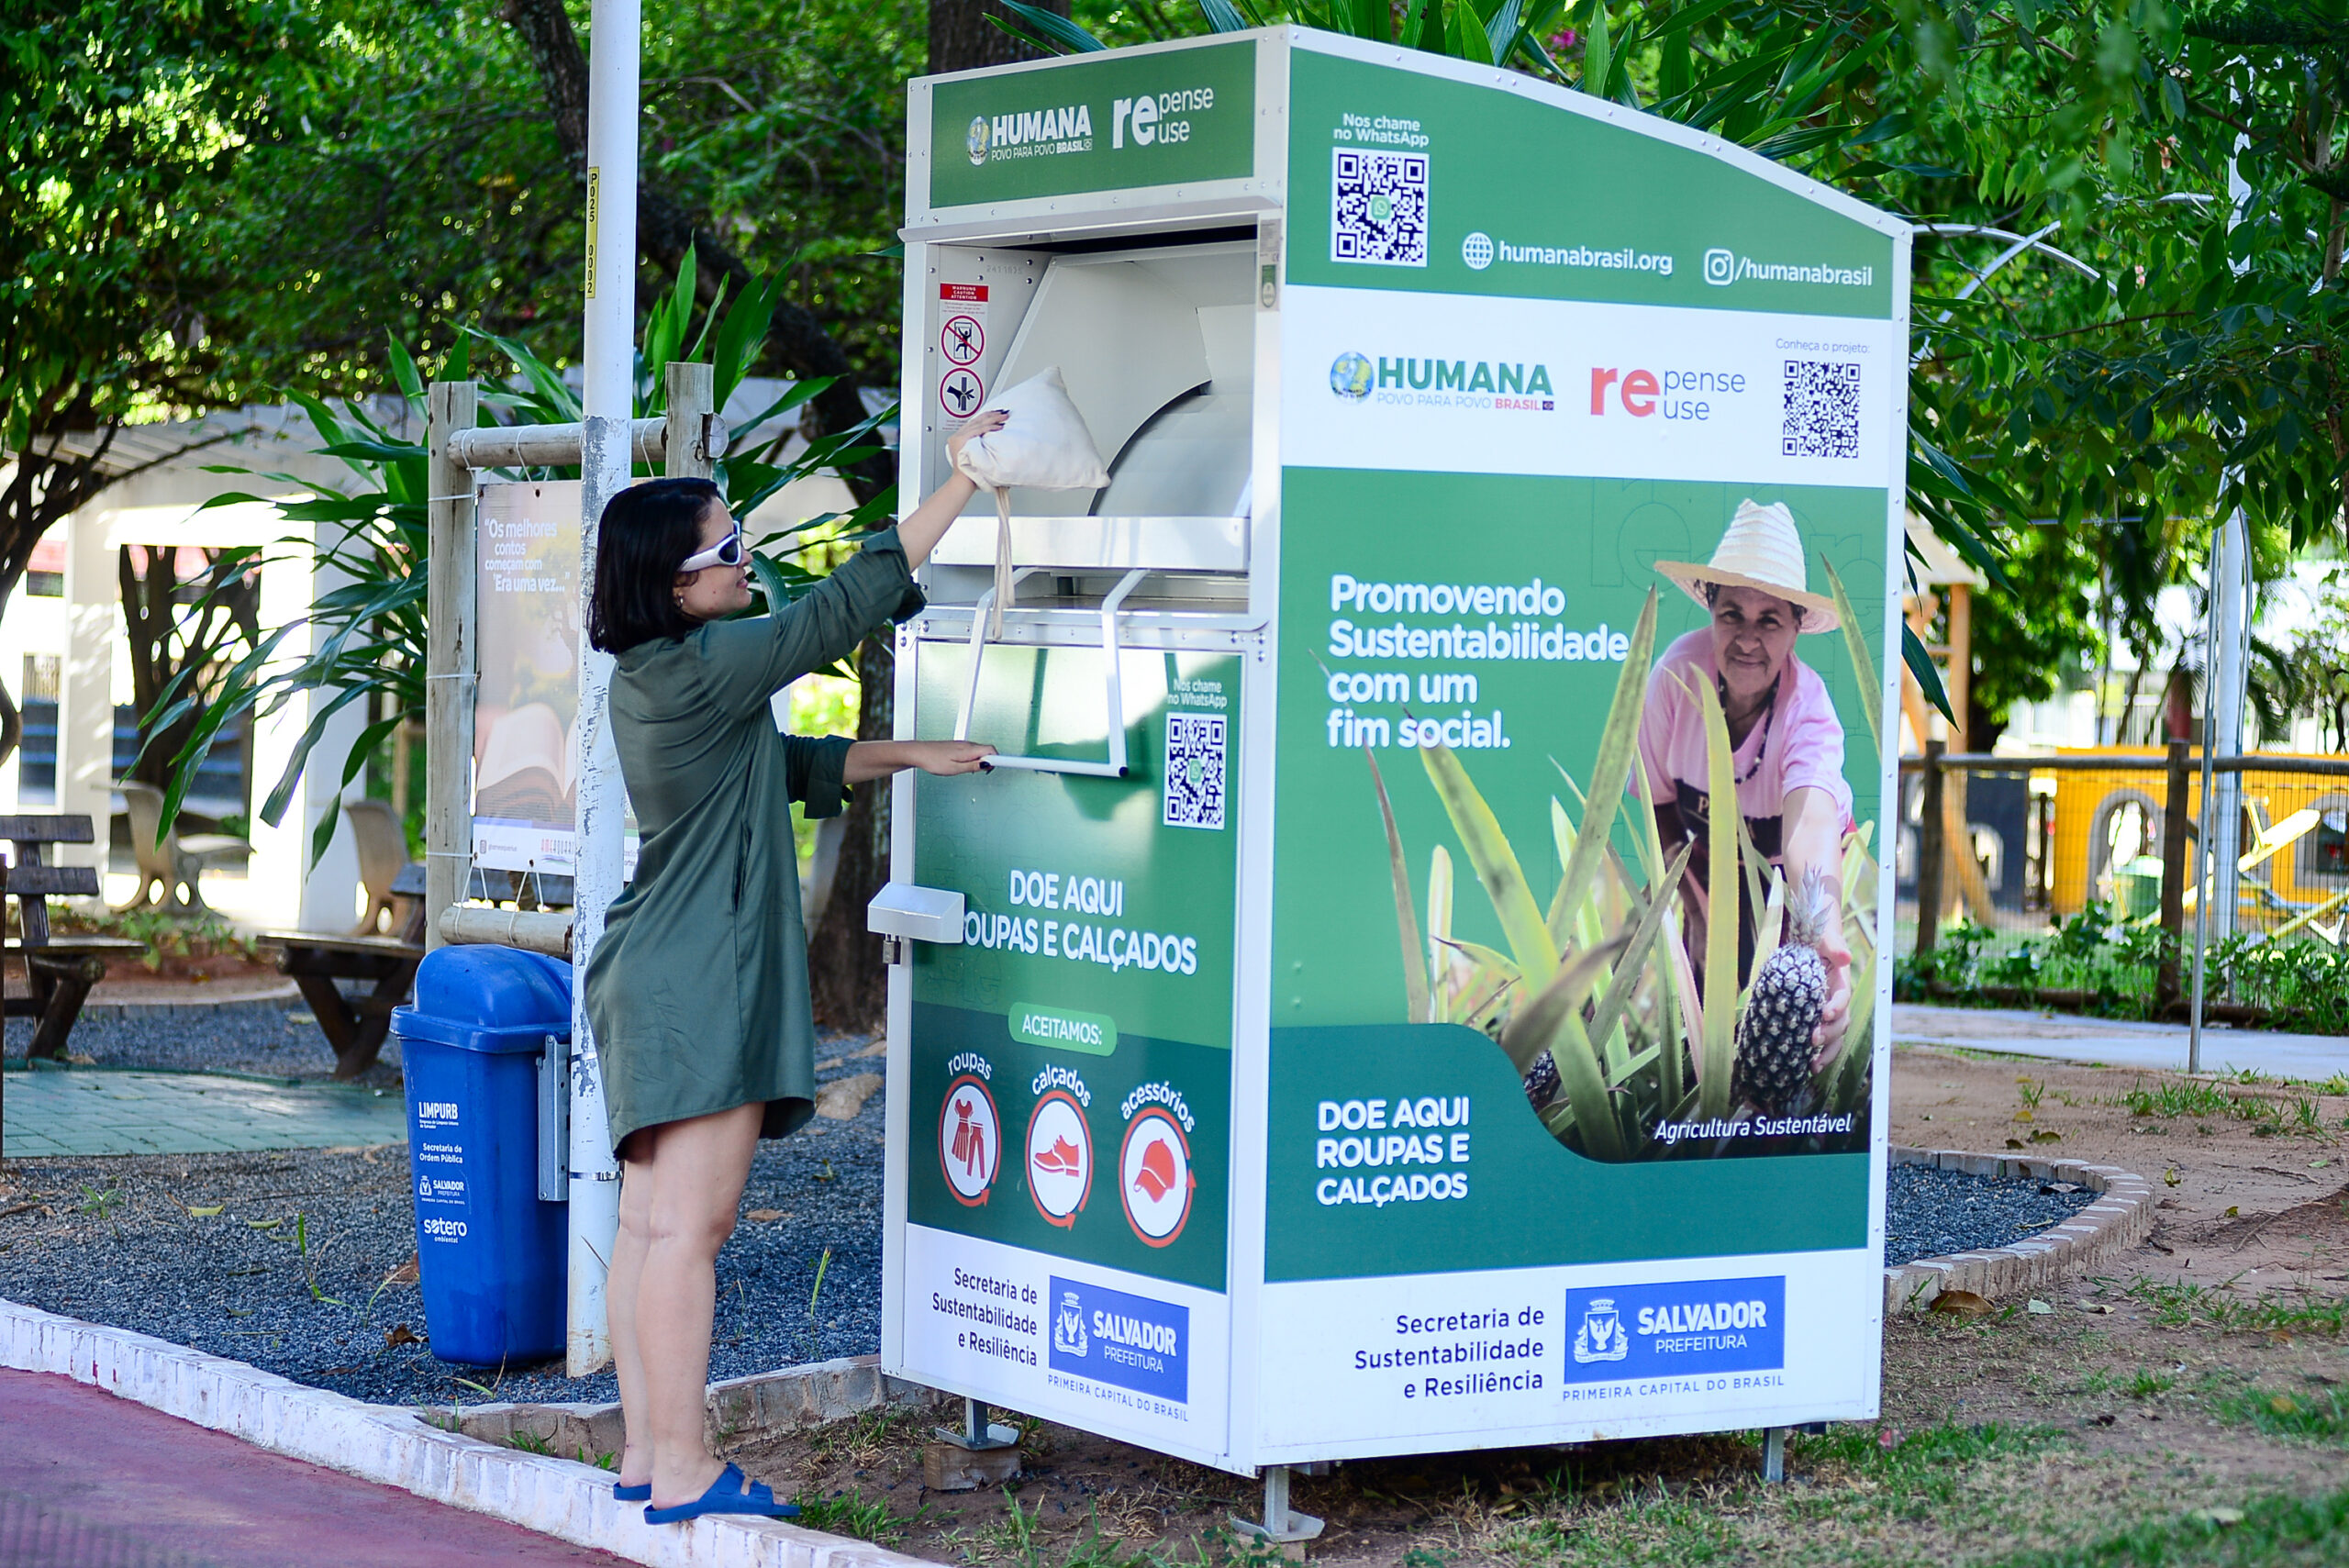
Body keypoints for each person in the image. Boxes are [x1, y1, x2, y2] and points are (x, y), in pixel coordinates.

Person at [584, 412, 1006, 1524]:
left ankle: (643, 1453)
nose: (745, 563)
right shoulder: (708, 663)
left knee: (648, 1225)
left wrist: (914, 752)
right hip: (697, 972)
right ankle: (682, 1468)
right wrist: (961, 482)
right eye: (726, 552)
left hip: (654, 968)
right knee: (690, 1232)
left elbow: (781, 762)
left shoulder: (661, 675)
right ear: (674, 587)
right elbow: (834, 612)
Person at [1637, 498, 1854, 1065]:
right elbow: (1659, 806)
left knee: (1782, 1046)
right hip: (1710, 866)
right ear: (1710, 608)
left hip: (1796, 882)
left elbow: (1809, 825)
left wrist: (1823, 940)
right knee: (1697, 1038)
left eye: (1769, 620)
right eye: (1732, 614)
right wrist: (1696, 908)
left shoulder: (1808, 712)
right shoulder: (1673, 681)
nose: (1747, 640)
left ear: (1797, 628)